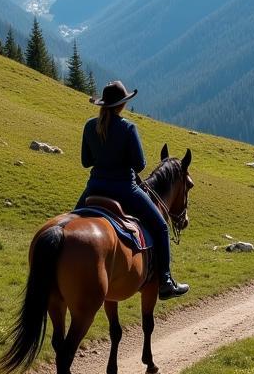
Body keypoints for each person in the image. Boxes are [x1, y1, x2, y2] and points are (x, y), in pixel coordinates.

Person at [76, 80, 189, 300]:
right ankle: (165, 281)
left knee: (72, 221)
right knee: (160, 227)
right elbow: (139, 165)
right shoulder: (128, 128)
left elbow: (85, 161)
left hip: (94, 189)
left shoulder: (90, 126)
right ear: (122, 105)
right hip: (125, 190)